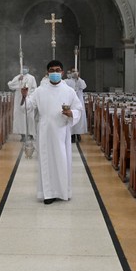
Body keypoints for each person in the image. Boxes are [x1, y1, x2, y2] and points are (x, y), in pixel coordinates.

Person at [21, 60, 83, 204]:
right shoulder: (40, 91)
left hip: (61, 131)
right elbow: (28, 107)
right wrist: (25, 96)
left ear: (62, 72)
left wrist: (71, 113)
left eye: (58, 70)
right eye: (52, 70)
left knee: (61, 160)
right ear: (47, 73)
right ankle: (48, 193)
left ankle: (62, 191)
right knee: (46, 160)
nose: (55, 73)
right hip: (45, 130)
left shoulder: (69, 91)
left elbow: (78, 109)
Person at [7, 65, 38, 141]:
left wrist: (28, 94)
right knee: (20, 117)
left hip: (28, 98)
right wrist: (18, 80)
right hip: (19, 99)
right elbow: (10, 85)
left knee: (29, 116)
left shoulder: (32, 78)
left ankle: (30, 134)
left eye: (26, 68)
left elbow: (34, 88)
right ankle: (22, 134)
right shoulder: (17, 77)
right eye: (23, 68)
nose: (24, 70)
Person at [64, 68, 88, 142]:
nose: (74, 73)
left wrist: (78, 78)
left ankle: (78, 134)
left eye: (76, 71)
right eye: (73, 71)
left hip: (79, 102)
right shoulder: (67, 81)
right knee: (71, 118)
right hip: (71, 102)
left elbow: (84, 86)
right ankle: (72, 135)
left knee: (79, 119)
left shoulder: (81, 81)